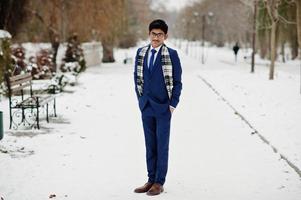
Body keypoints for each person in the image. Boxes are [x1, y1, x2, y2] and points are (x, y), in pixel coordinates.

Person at [133, 19, 182, 196]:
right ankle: (150, 179)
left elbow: (177, 82)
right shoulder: (141, 53)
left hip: (163, 108)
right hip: (146, 106)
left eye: (160, 34)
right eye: (153, 34)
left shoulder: (172, 54)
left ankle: (159, 182)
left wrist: (172, 104)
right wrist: (140, 100)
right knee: (150, 145)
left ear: (165, 36)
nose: (156, 37)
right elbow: (136, 77)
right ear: (149, 34)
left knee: (162, 145)